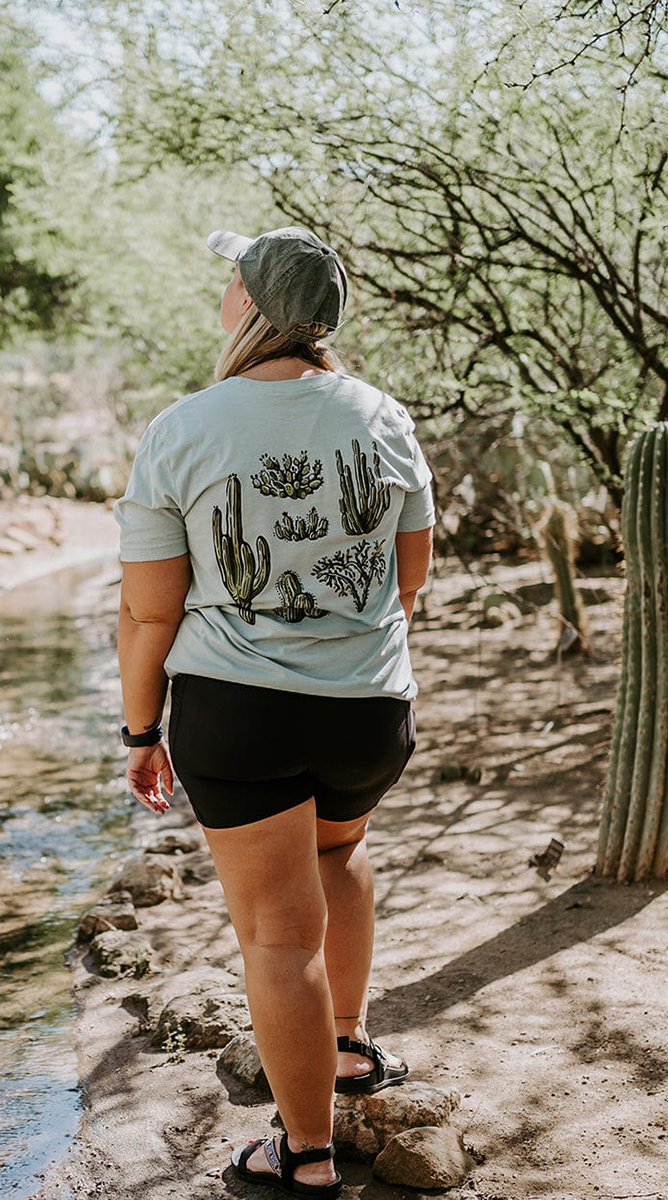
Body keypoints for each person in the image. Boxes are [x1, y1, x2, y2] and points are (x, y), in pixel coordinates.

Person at [114, 225, 434, 1197]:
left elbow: (150, 611)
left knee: (278, 937)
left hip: (239, 713)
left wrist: (141, 731)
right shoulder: (383, 416)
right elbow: (408, 579)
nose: (224, 292)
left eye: (232, 279)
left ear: (250, 304)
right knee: (340, 851)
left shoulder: (183, 428)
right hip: (368, 710)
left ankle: (304, 1155)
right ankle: (347, 1047)